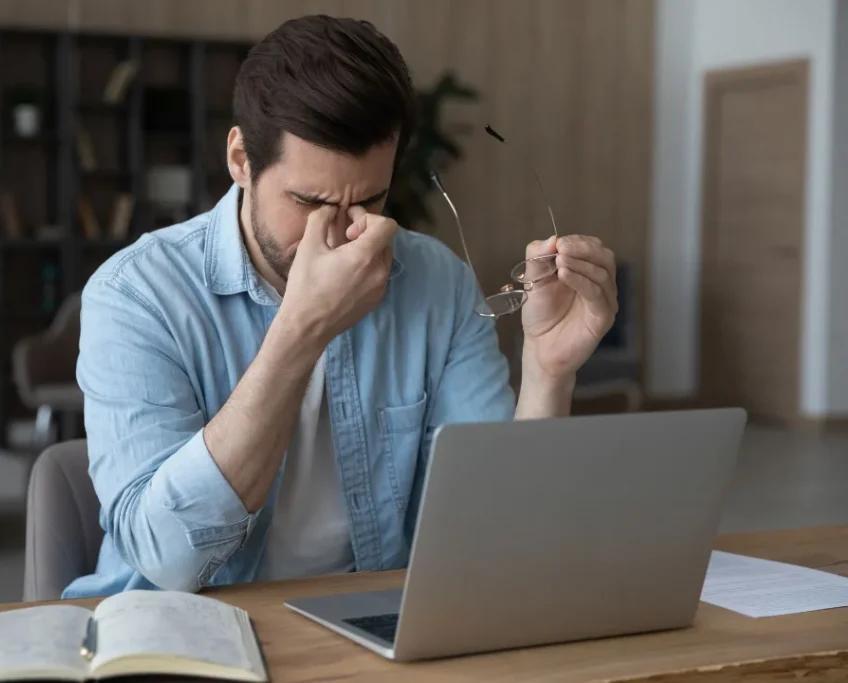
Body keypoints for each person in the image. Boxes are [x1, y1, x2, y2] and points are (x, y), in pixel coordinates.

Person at [62, 14, 618, 599]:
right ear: (240, 160)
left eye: (371, 199)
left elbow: (499, 534)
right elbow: (168, 563)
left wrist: (547, 374)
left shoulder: (437, 284)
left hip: (365, 620)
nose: (345, 231)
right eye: (309, 201)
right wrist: (304, 326)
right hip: (183, 630)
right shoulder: (136, 294)